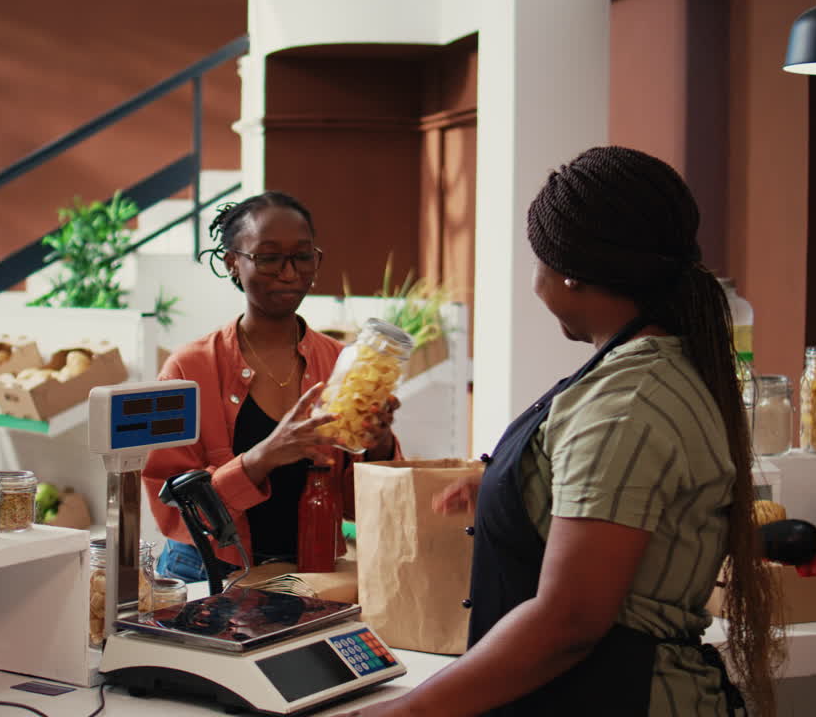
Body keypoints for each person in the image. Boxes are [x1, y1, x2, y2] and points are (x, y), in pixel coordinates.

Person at [333, 147, 780, 717]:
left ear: (570, 270)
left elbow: (568, 621)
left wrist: (406, 713)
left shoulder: (627, 402)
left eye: (537, 259)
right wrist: (517, 488)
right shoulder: (647, 372)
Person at [142, 191, 402, 582]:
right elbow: (174, 508)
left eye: (302, 256)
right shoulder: (189, 367)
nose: (288, 272)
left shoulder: (340, 362)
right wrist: (261, 457)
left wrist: (379, 446)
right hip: (205, 571)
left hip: (310, 570)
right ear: (233, 263)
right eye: (268, 257)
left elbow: (360, 509)